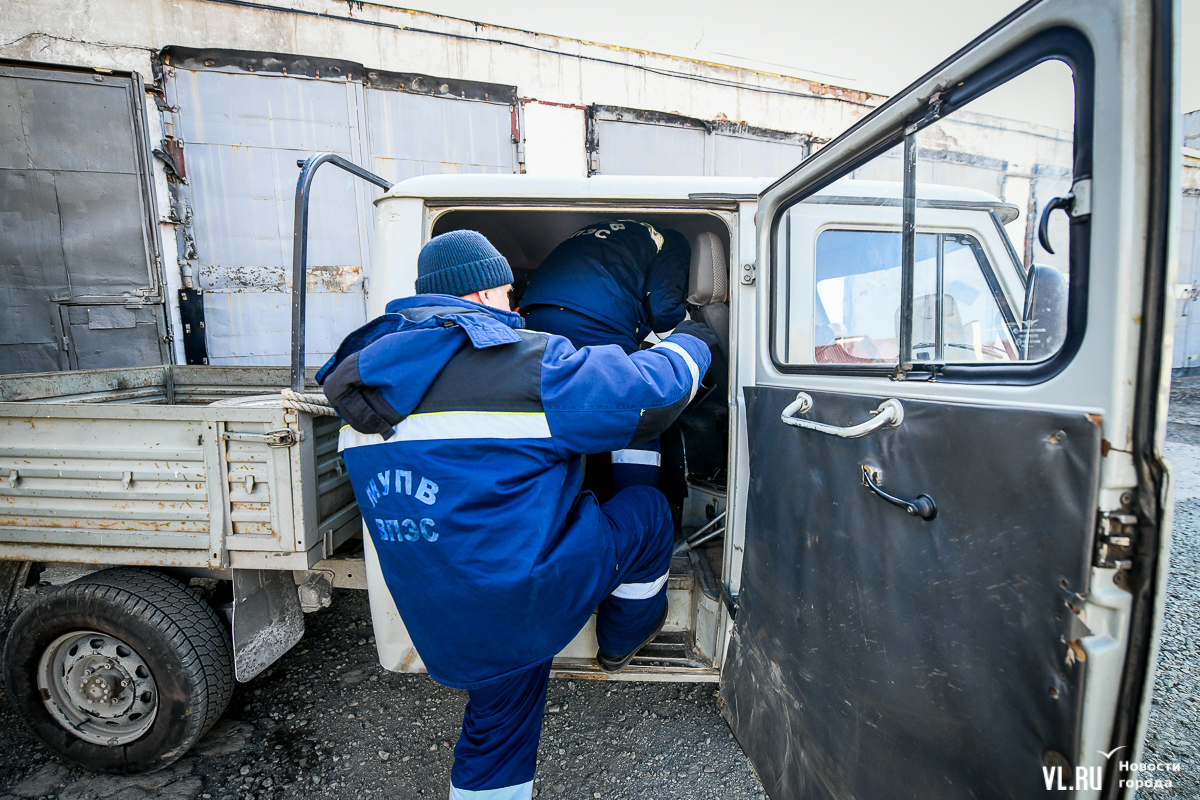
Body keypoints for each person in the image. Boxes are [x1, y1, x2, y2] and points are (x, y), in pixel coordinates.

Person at [317, 229, 717, 800]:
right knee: (648, 510)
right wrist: (695, 342)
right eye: (509, 294)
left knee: (497, 730)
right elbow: (648, 395)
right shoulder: (528, 366)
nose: (517, 309)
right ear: (481, 297)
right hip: (518, 594)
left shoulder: (362, 385)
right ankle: (622, 640)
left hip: (438, 605)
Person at [520, 220, 691, 493]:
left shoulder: (607, 236)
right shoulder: (674, 239)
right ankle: (637, 507)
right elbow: (663, 310)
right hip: (595, 317)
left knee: (562, 412)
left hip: (534, 315)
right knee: (636, 413)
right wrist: (690, 326)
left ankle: (566, 505)